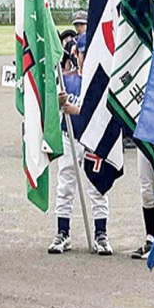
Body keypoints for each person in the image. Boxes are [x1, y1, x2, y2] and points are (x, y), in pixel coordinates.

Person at [49, 52, 111, 255]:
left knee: (97, 186)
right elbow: (51, 106)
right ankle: (62, 232)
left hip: (93, 138)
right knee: (66, 184)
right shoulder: (67, 79)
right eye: (82, 53)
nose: (85, 57)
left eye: (88, 52)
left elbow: (105, 110)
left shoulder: (100, 81)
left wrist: (77, 110)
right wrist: (58, 102)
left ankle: (101, 234)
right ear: (76, 54)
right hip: (70, 136)